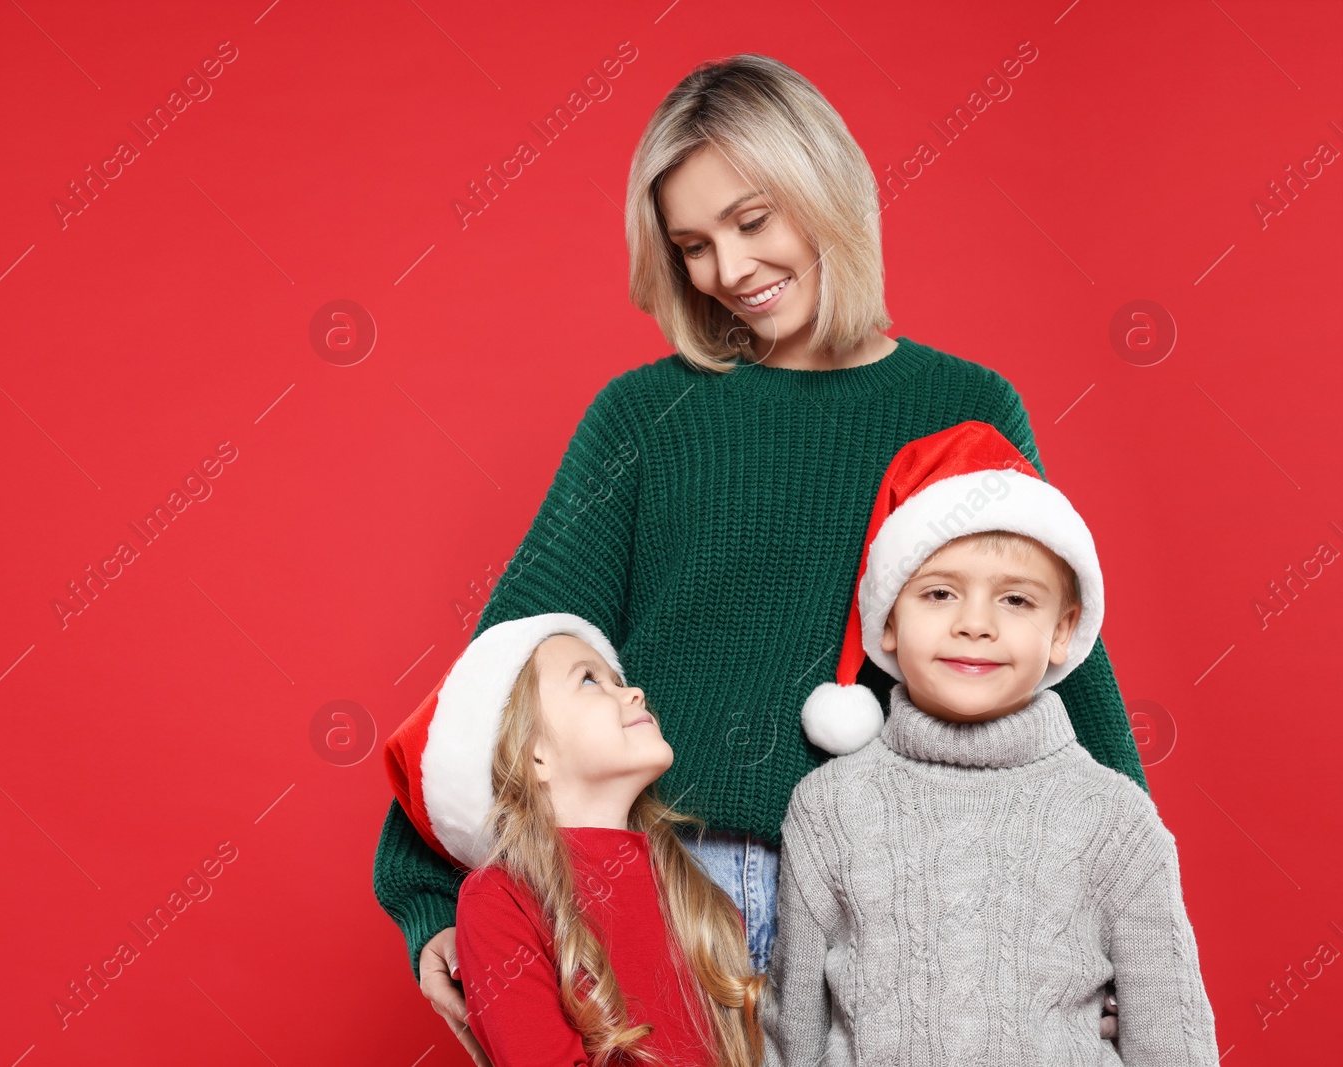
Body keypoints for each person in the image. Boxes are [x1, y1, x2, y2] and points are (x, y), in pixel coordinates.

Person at [373, 53, 1134, 1059]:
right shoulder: (647, 416)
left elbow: (1052, 666)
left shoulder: (965, 406)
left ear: (825, 187)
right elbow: (509, 662)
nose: (727, 270)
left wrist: (1118, 916)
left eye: (751, 220)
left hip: (896, 894)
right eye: (691, 244)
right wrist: (429, 893)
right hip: (678, 892)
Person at [765, 421, 1217, 1065]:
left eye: (1015, 600)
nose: (974, 624)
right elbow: (794, 1032)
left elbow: (1173, 1040)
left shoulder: (1114, 820)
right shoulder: (830, 806)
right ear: (889, 619)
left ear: (1062, 633)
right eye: (940, 593)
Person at [383, 612, 767, 1066]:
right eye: (589, 680)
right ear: (534, 756)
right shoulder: (499, 901)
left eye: (617, 679)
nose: (635, 692)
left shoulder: (701, 899)